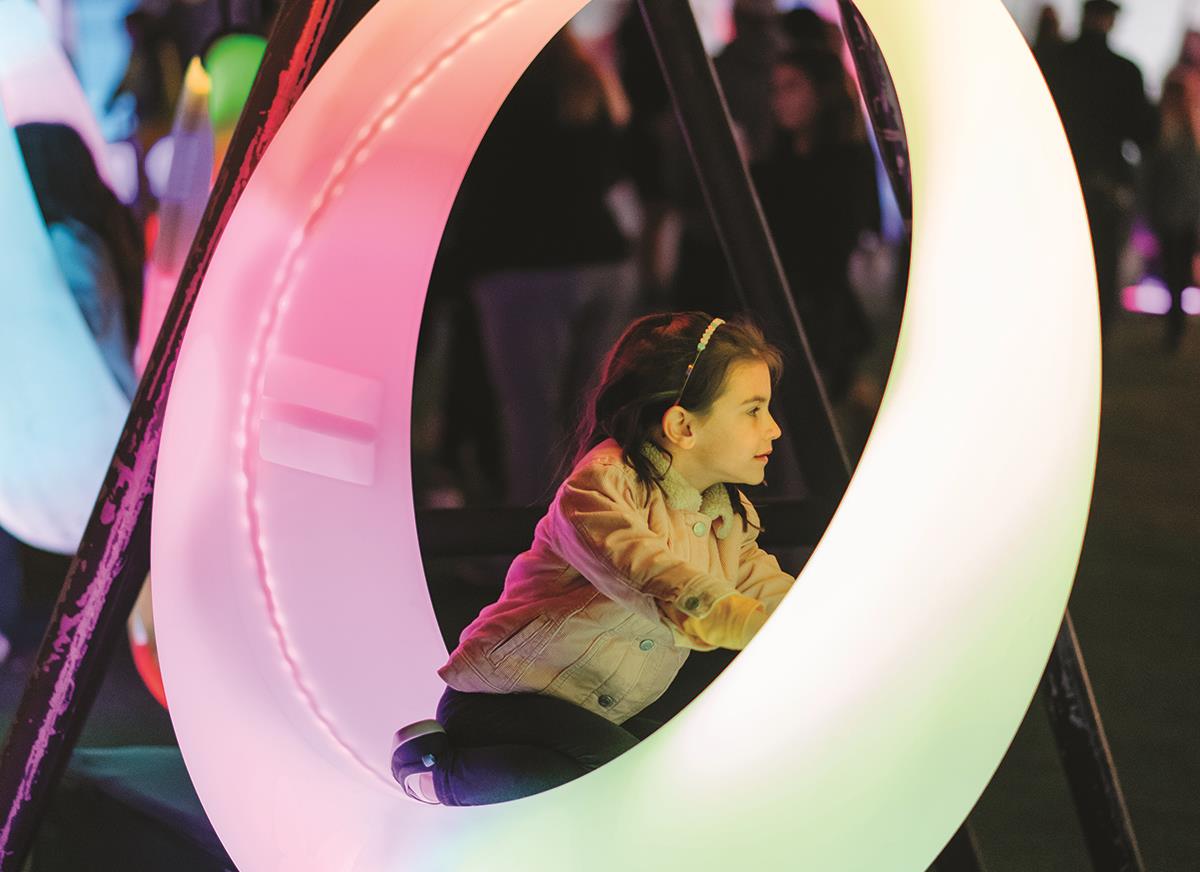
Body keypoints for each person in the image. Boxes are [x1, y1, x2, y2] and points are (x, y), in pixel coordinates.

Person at [392, 312, 797, 805]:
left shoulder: (725, 517)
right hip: (501, 701)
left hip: (596, 712)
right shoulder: (599, 490)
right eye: (753, 410)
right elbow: (650, 574)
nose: (773, 429)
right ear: (682, 425)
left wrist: (829, 619)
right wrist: (734, 618)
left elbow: (770, 589)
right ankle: (440, 774)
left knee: (660, 772)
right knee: (622, 786)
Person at [753, 46, 880, 403]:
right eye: (775, 89)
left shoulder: (843, 162)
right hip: (781, 310)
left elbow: (826, 243)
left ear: (821, 93)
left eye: (792, 87)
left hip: (821, 315)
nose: (780, 100)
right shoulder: (782, 160)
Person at [1042, 0, 1156, 335]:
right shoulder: (1124, 72)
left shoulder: (1054, 62)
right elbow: (1143, 132)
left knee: (1060, 261)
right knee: (1101, 262)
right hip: (1105, 183)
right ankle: (1096, 333)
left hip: (1059, 176)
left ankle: (1056, 329)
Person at [15, 122, 142, 399]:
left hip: (101, 413)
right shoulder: (88, 239)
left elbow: (71, 334)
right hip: (115, 404)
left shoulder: (67, 245)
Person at [1141, 61, 1200, 352]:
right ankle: (1174, 329)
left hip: (1185, 216)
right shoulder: (1166, 134)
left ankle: (1175, 329)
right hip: (1171, 215)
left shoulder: (1186, 134)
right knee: (1174, 273)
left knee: (1180, 273)